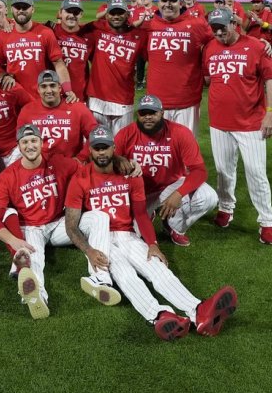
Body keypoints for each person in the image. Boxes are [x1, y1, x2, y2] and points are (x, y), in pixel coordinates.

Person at [65, 126, 238, 340]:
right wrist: (89, 251)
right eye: (97, 148)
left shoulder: (131, 175)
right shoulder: (80, 178)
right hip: (101, 239)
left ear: (113, 148)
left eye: (105, 147)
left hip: (128, 235)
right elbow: (71, 226)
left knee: (157, 269)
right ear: (90, 150)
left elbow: (140, 213)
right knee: (126, 276)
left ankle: (198, 311)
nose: (101, 152)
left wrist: (152, 243)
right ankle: (159, 315)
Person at [0, 124, 118, 320]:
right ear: (19, 146)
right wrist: (13, 240)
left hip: (59, 224)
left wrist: (119, 161)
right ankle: (37, 296)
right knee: (34, 259)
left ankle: (100, 278)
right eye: (25, 142)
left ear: (41, 143)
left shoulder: (58, 162)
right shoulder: (8, 176)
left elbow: (88, 169)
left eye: (34, 141)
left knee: (99, 217)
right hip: (31, 228)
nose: (30, 146)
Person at [203, 7, 272, 245]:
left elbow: (271, 80)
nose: (218, 32)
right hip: (219, 122)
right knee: (223, 170)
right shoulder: (210, 48)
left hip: (250, 124)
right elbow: (208, 78)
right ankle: (226, 208)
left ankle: (267, 221)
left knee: (256, 173)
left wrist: (271, 113)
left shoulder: (256, 46)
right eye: (214, 28)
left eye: (222, 27)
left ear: (234, 23)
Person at [114, 94, 218, 246]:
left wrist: (178, 194)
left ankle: (173, 225)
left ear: (162, 113)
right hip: (139, 193)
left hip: (170, 185)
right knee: (133, 234)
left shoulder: (180, 133)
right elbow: (109, 165)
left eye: (152, 113)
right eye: (143, 113)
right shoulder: (126, 134)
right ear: (138, 114)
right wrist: (118, 159)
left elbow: (199, 170)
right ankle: (149, 212)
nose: (148, 117)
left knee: (208, 197)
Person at [140, 0, 212, 134]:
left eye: (172, 0)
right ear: (158, 3)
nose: (168, 4)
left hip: (187, 100)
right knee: (157, 145)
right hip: (155, 100)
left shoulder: (197, 24)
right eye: (164, 0)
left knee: (186, 144)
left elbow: (215, 43)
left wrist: (206, 70)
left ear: (181, 3)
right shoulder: (149, 26)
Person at [0, 0, 74, 100]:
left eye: (25, 7)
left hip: (41, 97)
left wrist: (67, 90)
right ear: (12, 9)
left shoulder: (45, 33)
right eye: (18, 7)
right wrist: (3, 76)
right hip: (14, 97)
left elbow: (58, 63)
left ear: (32, 9)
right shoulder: (3, 36)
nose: (21, 10)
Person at [86, 0, 147, 135]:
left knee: (121, 145)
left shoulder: (139, 35)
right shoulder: (96, 29)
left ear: (128, 14)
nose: (116, 16)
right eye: (112, 13)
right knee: (98, 144)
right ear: (106, 14)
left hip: (123, 101)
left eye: (120, 13)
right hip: (96, 99)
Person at [17, 70, 98, 159]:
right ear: (38, 89)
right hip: (39, 163)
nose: (49, 91)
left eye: (52, 85)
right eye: (44, 86)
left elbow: (95, 135)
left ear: (59, 88)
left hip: (69, 163)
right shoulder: (27, 111)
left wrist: (81, 158)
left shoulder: (78, 108)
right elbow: (21, 140)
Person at [53, 0, 93, 100]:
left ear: (81, 15)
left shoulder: (89, 35)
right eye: (68, 11)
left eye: (76, 12)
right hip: (53, 95)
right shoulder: (49, 30)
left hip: (79, 95)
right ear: (60, 13)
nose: (72, 15)